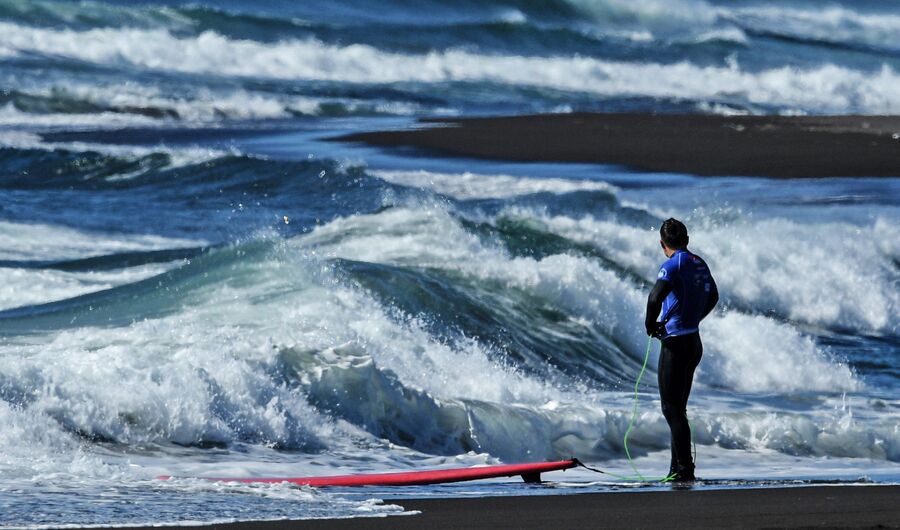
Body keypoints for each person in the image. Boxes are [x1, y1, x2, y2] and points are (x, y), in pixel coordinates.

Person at [645, 218, 718, 482]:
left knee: (671, 409)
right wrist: (695, 318)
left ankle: (683, 470)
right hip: (693, 342)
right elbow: (713, 296)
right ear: (686, 239)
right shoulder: (699, 262)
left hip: (675, 344)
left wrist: (650, 326)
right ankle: (678, 468)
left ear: (663, 244)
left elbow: (655, 297)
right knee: (679, 408)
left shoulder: (671, 265)